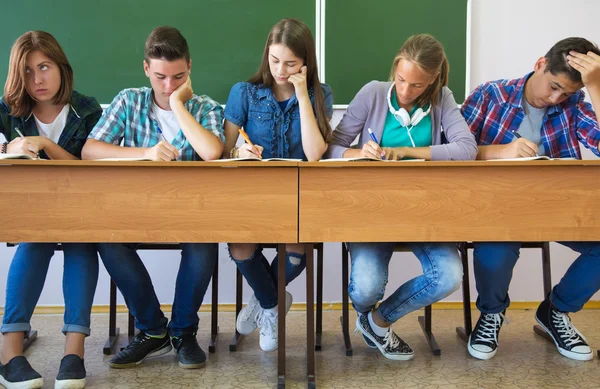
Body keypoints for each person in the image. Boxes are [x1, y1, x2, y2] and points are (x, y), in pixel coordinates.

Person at [326, 33, 477, 360]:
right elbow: (331, 147)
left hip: (424, 212)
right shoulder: (374, 93)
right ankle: (368, 310)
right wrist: (357, 154)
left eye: (417, 85)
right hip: (373, 211)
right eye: (401, 80)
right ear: (394, 69)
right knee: (367, 286)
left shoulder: (442, 99)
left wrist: (408, 151)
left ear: (433, 80)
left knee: (450, 274)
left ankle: (377, 322)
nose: (406, 92)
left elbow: (467, 149)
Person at [82, 26, 224, 369]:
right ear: (146, 68)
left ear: (190, 67)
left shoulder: (205, 108)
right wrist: (145, 152)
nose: (168, 85)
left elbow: (211, 152)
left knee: (204, 241)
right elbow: (89, 150)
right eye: (160, 77)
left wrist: (178, 105)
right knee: (107, 239)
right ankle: (152, 330)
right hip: (136, 210)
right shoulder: (128, 101)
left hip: (190, 213)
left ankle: (183, 332)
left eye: (178, 77)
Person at [461, 37, 600, 361]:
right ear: (539, 64)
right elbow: (448, 152)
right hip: (497, 211)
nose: (555, 98)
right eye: (553, 86)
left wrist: (596, 87)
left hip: (556, 210)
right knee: (495, 252)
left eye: (565, 92)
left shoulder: (576, 105)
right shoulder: (490, 95)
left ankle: (555, 311)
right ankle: (492, 314)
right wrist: (500, 152)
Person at [222, 18, 333, 352]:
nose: (280, 70)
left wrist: (301, 93)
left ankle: (260, 300)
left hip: (299, 199)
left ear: (306, 63)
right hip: (253, 196)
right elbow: (225, 151)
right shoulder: (244, 93)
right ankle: (272, 305)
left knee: (298, 250)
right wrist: (240, 150)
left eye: (290, 63)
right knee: (239, 245)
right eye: (274, 61)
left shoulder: (320, 94)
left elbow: (314, 154)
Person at [0, 30, 102, 389]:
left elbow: (90, 164)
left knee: (82, 246)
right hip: (29, 212)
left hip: (80, 209)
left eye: (43, 67)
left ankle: (73, 353)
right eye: (26, 71)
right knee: (34, 240)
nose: (37, 79)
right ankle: (10, 354)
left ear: (61, 66)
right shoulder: (6, 111)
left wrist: (43, 143)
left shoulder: (88, 109)